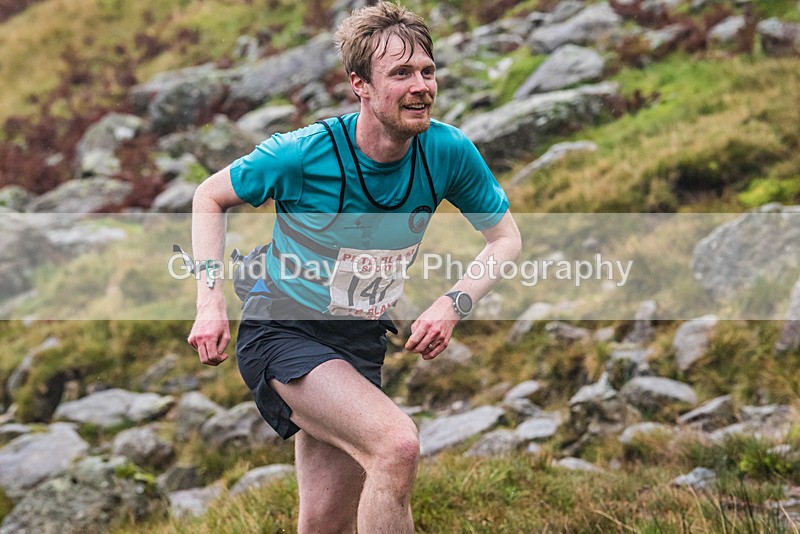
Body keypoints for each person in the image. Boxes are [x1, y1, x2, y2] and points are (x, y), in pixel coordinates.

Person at [187, 2, 521, 531]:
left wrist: (453, 303)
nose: (421, 87)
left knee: (324, 522)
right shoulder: (302, 154)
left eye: (427, 71)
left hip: (359, 340)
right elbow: (209, 197)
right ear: (360, 84)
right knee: (396, 446)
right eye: (401, 74)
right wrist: (210, 304)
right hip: (283, 329)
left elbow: (504, 239)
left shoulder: (448, 152)